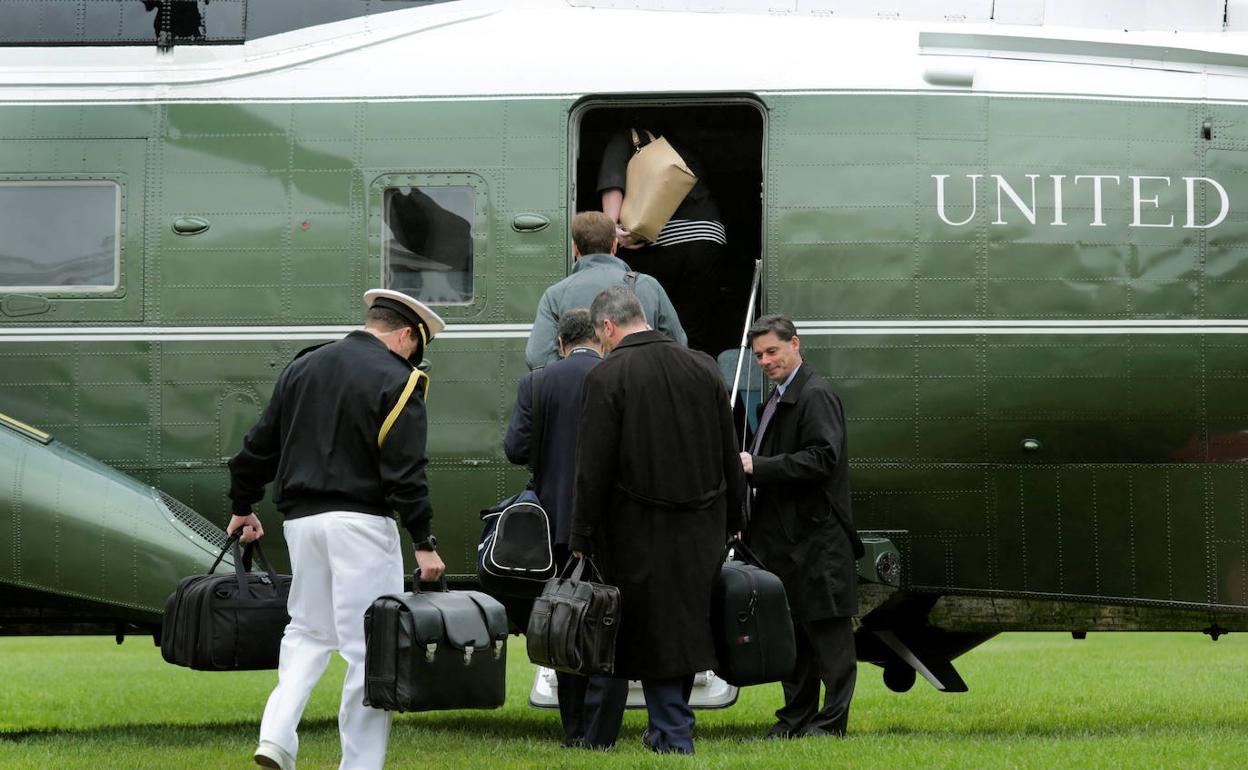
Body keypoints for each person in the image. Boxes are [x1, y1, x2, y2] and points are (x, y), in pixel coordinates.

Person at [226, 288, 448, 770]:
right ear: (406, 336)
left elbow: (258, 445)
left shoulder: (302, 367)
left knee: (307, 632)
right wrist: (423, 541)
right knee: (371, 648)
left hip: (301, 524)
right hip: (361, 526)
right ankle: (360, 764)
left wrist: (243, 504)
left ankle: (276, 736)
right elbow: (405, 473)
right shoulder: (402, 380)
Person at [569, 286, 745, 755]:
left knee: (649, 630)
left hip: (636, 528)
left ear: (608, 327)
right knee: (684, 626)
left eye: (600, 336)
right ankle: (668, 729)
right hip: (702, 525)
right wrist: (736, 516)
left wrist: (582, 532)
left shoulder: (607, 376)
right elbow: (728, 450)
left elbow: (593, 466)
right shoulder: (703, 367)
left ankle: (672, 733)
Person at [503, 308, 629, 747]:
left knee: (566, 620)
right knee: (609, 625)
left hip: (555, 526)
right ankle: (600, 732)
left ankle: (573, 728)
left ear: (560, 343)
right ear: (599, 336)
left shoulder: (537, 382)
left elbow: (515, 448)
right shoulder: (618, 376)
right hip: (613, 526)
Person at [738, 314, 862, 739]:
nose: (765, 362)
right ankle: (795, 718)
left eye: (772, 351)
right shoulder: (780, 396)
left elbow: (823, 458)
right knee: (794, 639)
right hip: (787, 542)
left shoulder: (815, 393)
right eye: (759, 356)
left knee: (830, 637)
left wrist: (758, 466)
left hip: (817, 539)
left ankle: (830, 723)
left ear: (795, 344)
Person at [598, 127, 728, 356]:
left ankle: (663, 366)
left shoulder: (624, 138)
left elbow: (613, 182)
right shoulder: (679, 146)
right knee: (694, 324)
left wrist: (611, 230)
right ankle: (694, 364)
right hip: (711, 235)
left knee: (654, 320)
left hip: (669, 238)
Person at [525, 211, 685, 370]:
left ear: (575, 248)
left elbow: (538, 358)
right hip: (640, 382)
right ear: (614, 245)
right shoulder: (649, 285)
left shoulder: (555, 294)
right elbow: (678, 346)